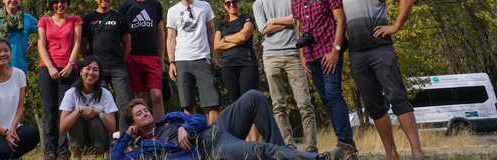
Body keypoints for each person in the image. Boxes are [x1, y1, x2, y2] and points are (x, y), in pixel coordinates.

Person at [338, 0, 424, 160]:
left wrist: (395, 26)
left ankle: (417, 152)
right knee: (374, 106)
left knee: (398, 98)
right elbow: (340, 23)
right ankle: (391, 153)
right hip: (357, 55)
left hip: (380, 50)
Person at [111, 90, 333, 160]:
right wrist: (126, 137)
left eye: (146, 109)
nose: (146, 113)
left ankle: (285, 155)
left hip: (214, 130)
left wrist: (183, 128)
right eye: (140, 114)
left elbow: (198, 118)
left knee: (254, 96)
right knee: (259, 149)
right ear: (134, 124)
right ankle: (320, 158)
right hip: (209, 150)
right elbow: (115, 159)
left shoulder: (169, 118)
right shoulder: (144, 149)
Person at [291, 0, 357, 160]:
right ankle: (346, 149)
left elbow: (341, 20)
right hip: (311, 56)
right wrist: (302, 56)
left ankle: (346, 144)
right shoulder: (296, 0)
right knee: (326, 100)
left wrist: (336, 50)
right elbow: (300, 29)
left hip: (329, 52)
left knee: (334, 94)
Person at [252, 0, 318, 152]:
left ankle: (311, 148)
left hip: (294, 54)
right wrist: (289, 20)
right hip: (271, 57)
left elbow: (300, 17)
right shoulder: (258, 4)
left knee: (304, 103)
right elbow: (263, 29)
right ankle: (288, 147)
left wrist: (274, 20)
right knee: (278, 105)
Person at [166, 0, 221, 123]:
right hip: (182, 60)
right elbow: (170, 38)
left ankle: (213, 137)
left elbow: (211, 32)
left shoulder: (204, 6)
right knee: (188, 104)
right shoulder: (173, 11)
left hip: (202, 58)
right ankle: (192, 140)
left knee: (213, 102)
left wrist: (214, 57)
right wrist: (171, 63)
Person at [0, 39, 40, 160]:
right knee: (1, 151)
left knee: (32, 134)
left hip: (13, 128)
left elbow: (20, 107)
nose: (3, 54)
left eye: (6, 51)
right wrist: (5, 133)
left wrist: (13, 127)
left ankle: (13, 157)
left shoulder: (19, 74)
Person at [37, 0, 83, 160]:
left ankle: (64, 150)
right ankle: (50, 149)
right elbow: (41, 45)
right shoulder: (44, 21)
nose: (59, 5)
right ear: (51, 4)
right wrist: (50, 67)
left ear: (67, 3)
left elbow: (77, 45)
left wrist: (71, 64)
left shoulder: (75, 21)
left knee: (65, 110)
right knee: (49, 110)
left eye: (63, 1)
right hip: (47, 69)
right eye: (56, 2)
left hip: (68, 69)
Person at [82, 0, 131, 134]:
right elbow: (82, 46)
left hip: (117, 67)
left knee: (124, 103)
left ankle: (125, 139)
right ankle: (102, 142)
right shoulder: (88, 19)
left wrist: (120, 61)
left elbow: (127, 45)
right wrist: (90, 64)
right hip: (97, 70)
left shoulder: (120, 18)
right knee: (99, 104)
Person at [117, 0, 165, 120]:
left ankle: (161, 128)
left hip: (151, 55)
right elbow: (120, 35)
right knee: (140, 96)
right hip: (132, 56)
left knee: (156, 94)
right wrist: (123, 57)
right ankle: (145, 131)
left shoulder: (155, 5)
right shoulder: (125, 6)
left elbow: (161, 33)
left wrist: (162, 59)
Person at [213, 0, 258, 140]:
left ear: (239, 2)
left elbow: (244, 36)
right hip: (228, 67)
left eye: (234, 2)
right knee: (236, 105)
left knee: (250, 103)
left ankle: (255, 146)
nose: (231, 5)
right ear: (224, 5)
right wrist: (235, 39)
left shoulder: (247, 18)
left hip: (247, 64)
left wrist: (226, 38)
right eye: (228, 3)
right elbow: (217, 45)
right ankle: (242, 144)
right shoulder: (221, 23)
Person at [59, 56, 118, 160]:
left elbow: (113, 129)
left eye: (95, 70)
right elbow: (63, 127)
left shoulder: (105, 94)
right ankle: (76, 156)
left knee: (96, 119)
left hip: (101, 138)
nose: (91, 72)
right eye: (88, 68)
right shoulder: (71, 93)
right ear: (81, 71)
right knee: (75, 118)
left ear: (99, 73)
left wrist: (99, 113)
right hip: (78, 138)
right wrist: (79, 110)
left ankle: (99, 157)